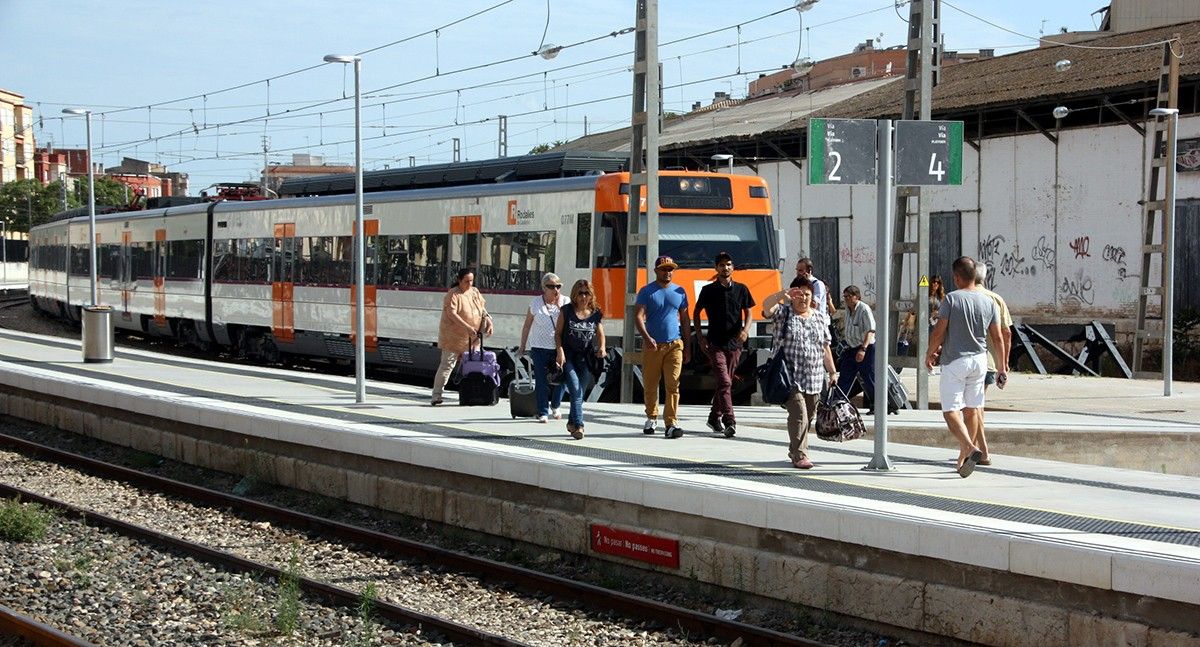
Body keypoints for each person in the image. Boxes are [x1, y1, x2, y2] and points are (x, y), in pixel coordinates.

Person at [925, 256, 1006, 478]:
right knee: (972, 410)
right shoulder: (989, 302)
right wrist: (1002, 366)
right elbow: (998, 337)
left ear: (957, 277)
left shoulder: (951, 299)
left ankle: (970, 448)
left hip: (956, 361)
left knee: (951, 411)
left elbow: (939, 332)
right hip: (980, 360)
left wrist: (929, 353)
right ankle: (962, 459)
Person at [762, 281, 838, 469]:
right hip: (789, 376)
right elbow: (765, 307)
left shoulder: (819, 317)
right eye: (799, 294)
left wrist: (832, 371)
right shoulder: (784, 314)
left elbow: (825, 347)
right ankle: (800, 455)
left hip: (813, 376)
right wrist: (783, 293)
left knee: (809, 414)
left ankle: (794, 448)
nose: (803, 298)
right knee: (799, 412)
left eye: (807, 294)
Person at [693, 252, 755, 437]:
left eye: (728, 264)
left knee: (724, 384)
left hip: (735, 344)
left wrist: (746, 329)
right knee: (725, 381)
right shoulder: (708, 290)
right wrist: (700, 338)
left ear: (733, 267)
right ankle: (730, 420)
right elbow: (696, 312)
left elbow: (749, 312)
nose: (725, 267)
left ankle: (714, 417)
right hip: (715, 343)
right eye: (721, 265)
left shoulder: (742, 289)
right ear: (716, 268)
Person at [635, 255, 692, 439]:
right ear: (656, 271)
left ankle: (671, 422)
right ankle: (651, 416)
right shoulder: (647, 291)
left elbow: (684, 319)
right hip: (653, 346)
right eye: (664, 269)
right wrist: (646, 337)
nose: (668, 272)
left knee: (673, 384)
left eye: (670, 269)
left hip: (675, 344)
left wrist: (688, 345)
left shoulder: (680, 292)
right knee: (651, 384)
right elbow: (638, 316)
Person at [972, 264, 1013, 466]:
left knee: (973, 406)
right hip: (988, 362)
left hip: (969, 360)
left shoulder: (959, 297)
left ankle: (981, 451)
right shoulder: (996, 299)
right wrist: (1003, 365)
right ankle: (971, 447)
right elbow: (1005, 334)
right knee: (977, 405)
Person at [432, 268, 492, 406]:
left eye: (471, 280)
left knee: (474, 365)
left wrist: (488, 318)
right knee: (447, 365)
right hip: (453, 337)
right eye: (466, 281)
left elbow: (482, 308)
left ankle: (474, 393)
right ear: (459, 281)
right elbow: (452, 314)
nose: (470, 284)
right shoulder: (453, 294)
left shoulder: (474, 292)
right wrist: (468, 327)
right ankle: (436, 395)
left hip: (473, 338)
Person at [555, 279, 606, 439]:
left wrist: (602, 347)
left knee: (580, 393)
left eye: (587, 293)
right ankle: (579, 425)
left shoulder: (595, 312)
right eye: (580, 293)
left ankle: (571, 422)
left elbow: (600, 333)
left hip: (585, 357)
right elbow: (557, 334)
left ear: (591, 296)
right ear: (575, 295)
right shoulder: (566, 311)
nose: (584, 297)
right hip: (568, 356)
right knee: (576, 389)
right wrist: (559, 352)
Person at [518, 272, 571, 422]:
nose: (556, 290)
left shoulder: (566, 302)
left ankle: (555, 405)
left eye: (558, 286)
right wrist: (522, 346)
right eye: (551, 286)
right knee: (541, 381)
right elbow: (527, 326)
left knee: (562, 378)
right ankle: (542, 411)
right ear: (543, 288)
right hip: (539, 347)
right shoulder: (535, 303)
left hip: (559, 348)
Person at [836, 285, 877, 413]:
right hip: (851, 348)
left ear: (857, 297)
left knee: (868, 377)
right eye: (845, 296)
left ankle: (878, 405)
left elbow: (870, 331)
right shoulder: (847, 309)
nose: (846, 299)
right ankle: (837, 403)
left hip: (865, 348)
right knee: (844, 376)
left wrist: (863, 349)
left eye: (849, 296)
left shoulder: (864, 309)